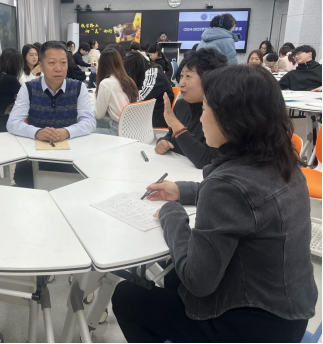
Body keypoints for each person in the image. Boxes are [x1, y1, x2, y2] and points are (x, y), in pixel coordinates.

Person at [112, 65, 316, 344]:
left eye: (206, 109)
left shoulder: (228, 184)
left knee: (127, 296)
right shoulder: (283, 162)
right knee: (172, 279)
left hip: (252, 328)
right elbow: (247, 202)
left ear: (231, 120)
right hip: (291, 312)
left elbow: (198, 280)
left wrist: (172, 214)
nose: (201, 117)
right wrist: (182, 191)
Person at [7, 41, 96, 188]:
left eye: (63, 63)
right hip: (35, 159)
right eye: (52, 63)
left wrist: (67, 131)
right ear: (41, 66)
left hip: (71, 158)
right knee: (25, 190)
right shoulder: (28, 88)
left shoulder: (78, 88)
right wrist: (37, 132)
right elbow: (13, 122)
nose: (58, 68)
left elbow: (89, 122)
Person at [156, 48, 227, 169]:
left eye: (188, 76)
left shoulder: (220, 114)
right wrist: (163, 141)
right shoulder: (181, 105)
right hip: (176, 171)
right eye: (181, 76)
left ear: (209, 79)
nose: (181, 83)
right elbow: (171, 136)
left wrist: (174, 123)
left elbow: (206, 160)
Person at [94, 48, 139, 135]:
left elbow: (98, 114)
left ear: (102, 65)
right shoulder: (128, 80)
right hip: (131, 129)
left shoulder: (106, 84)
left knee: (85, 130)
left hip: (117, 131)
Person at [125, 52, 174, 128]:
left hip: (159, 117)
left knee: (122, 121)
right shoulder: (146, 72)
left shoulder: (153, 74)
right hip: (150, 113)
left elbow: (139, 99)